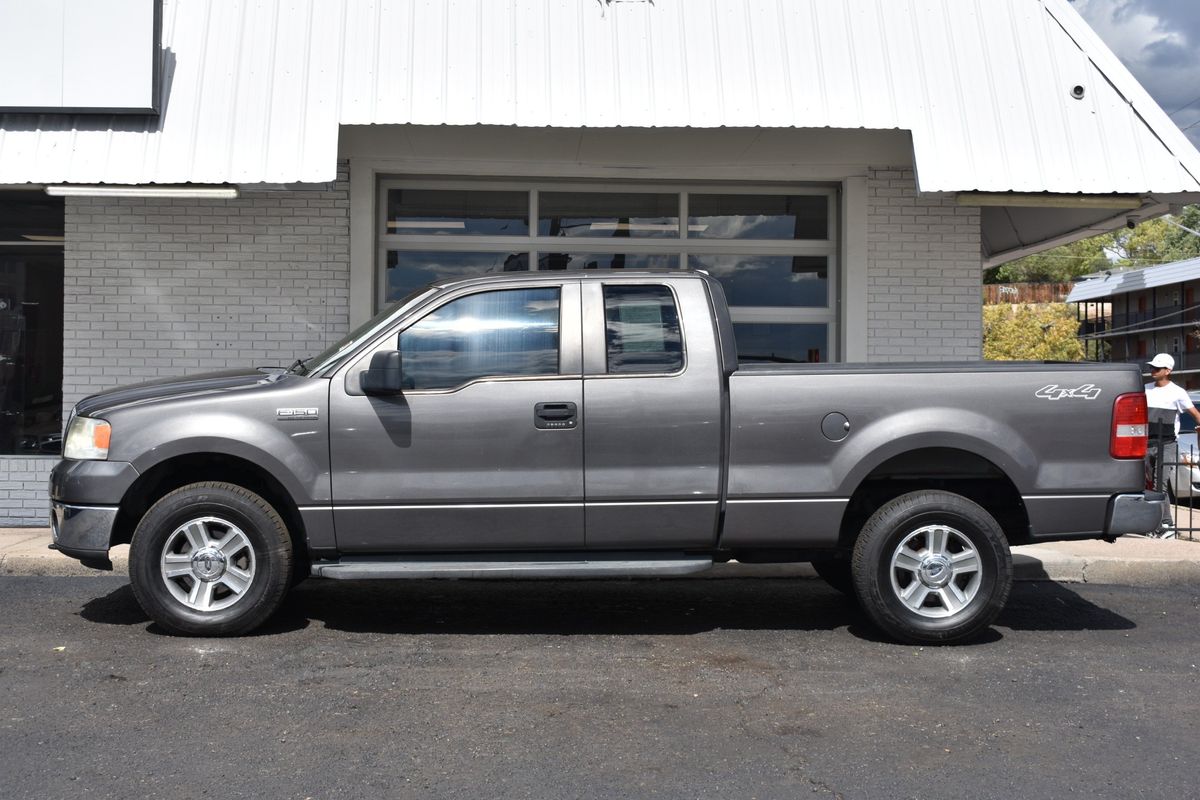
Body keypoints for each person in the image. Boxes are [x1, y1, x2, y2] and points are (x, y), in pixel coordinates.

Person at [1144, 353, 1200, 537]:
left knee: (1160, 485)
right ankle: (1154, 524)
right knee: (1146, 484)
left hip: (1167, 443)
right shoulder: (1145, 389)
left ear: (1168, 371)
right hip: (1146, 443)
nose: (1153, 370)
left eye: (1157, 368)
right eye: (1152, 367)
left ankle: (1166, 525)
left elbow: (1195, 415)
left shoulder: (1177, 392)